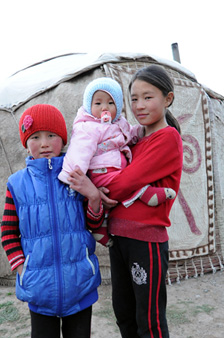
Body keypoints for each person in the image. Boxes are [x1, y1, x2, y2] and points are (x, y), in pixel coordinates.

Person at [1, 104, 105, 338]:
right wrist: (21, 267)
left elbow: (94, 224)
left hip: (79, 283)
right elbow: (8, 232)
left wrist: (92, 196)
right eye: (35, 137)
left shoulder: (76, 176)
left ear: (64, 138)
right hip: (41, 290)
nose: (44, 143)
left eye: (51, 135)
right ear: (25, 142)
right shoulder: (16, 185)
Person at [103, 65, 183, 338]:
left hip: (146, 242)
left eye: (147, 97)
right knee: (123, 309)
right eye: (133, 98)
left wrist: (96, 189)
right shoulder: (134, 138)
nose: (138, 105)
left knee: (148, 316)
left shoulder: (167, 139)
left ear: (167, 99)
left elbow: (123, 183)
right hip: (119, 237)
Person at [58, 77, 176, 245]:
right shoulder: (87, 127)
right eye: (98, 103)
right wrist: (73, 174)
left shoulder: (119, 122)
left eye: (110, 103)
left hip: (115, 169)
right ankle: (145, 193)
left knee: (116, 188)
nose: (104, 108)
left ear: (118, 106)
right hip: (101, 171)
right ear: (88, 106)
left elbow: (128, 134)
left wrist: (141, 132)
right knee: (124, 183)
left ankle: (100, 228)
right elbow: (79, 150)